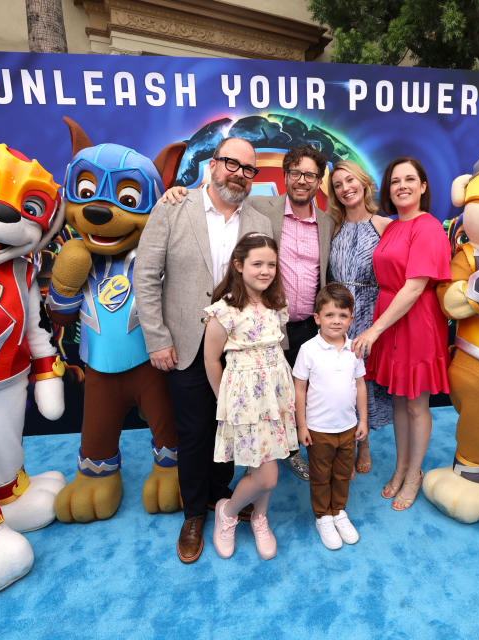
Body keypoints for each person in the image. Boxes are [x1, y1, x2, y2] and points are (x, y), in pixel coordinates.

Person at [133, 137, 273, 564]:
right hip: (187, 347)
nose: (239, 174)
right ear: (213, 165)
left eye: (249, 169)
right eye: (231, 164)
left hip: (241, 351)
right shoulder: (174, 207)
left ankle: (220, 496)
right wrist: (157, 338)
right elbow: (146, 275)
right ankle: (194, 513)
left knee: (232, 430)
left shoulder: (260, 218)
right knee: (194, 434)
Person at [160, 144, 335, 482]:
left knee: (303, 398)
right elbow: (221, 195)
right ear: (285, 176)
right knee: (266, 400)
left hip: (309, 328)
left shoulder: (327, 222)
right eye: (296, 173)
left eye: (310, 175)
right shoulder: (259, 208)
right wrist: (180, 193)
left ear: (319, 181)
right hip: (268, 329)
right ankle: (266, 463)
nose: (302, 181)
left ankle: (297, 452)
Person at [352, 157, 451, 511]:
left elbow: (414, 286)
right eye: (395, 181)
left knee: (416, 404)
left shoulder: (428, 227)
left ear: (423, 186)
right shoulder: (391, 227)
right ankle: (399, 468)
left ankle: (414, 474)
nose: (402, 186)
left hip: (416, 320)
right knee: (397, 399)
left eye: (410, 179)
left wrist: (374, 330)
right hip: (390, 317)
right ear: (388, 190)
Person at [203, 233, 298, 560]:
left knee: (263, 463)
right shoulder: (225, 310)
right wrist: (224, 402)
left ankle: (258, 516)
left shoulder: (276, 304)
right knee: (267, 475)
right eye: (257, 263)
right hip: (245, 402)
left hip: (275, 395)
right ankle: (228, 512)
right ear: (239, 265)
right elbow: (210, 359)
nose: (265, 270)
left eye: (271, 264)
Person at [326, 161, 393, 477]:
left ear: (363, 182)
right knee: (337, 386)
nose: (345, 188)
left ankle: (362, 445)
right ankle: (344, 448)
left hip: (370, 314)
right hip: (336, 316)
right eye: (337, 185)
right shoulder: (332, 227)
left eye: (349, 180)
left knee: (362, 384)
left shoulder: (383, 225)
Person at [293, 283, 368, 550]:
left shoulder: (354, 349)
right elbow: (299, 389)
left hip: (347, 427)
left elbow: (360, 385)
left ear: (351, 317)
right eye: (329, 315)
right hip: (318, 429)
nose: (336, 321)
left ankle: (339, 511)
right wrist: (301, 425)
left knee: (342, 472)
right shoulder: (308, 350)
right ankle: (323, 516)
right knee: (320, 475)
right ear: (317, 318)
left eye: (342, 315)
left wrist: (363, 421)